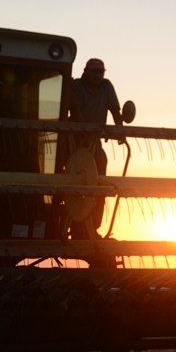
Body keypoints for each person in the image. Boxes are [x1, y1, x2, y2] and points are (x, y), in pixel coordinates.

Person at [69, 58, 123, 235]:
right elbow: (76, 112)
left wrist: (120, 130)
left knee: (99, 181)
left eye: (101, 72)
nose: (98, 75)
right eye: (95, 72)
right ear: (85, 72)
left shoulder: (107, 86)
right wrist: (87, 132)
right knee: (73, 179)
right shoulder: (77, 86)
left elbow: (115, 111)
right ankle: (76, 224)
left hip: (94, 140)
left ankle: (92, 226)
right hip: (74, 141)